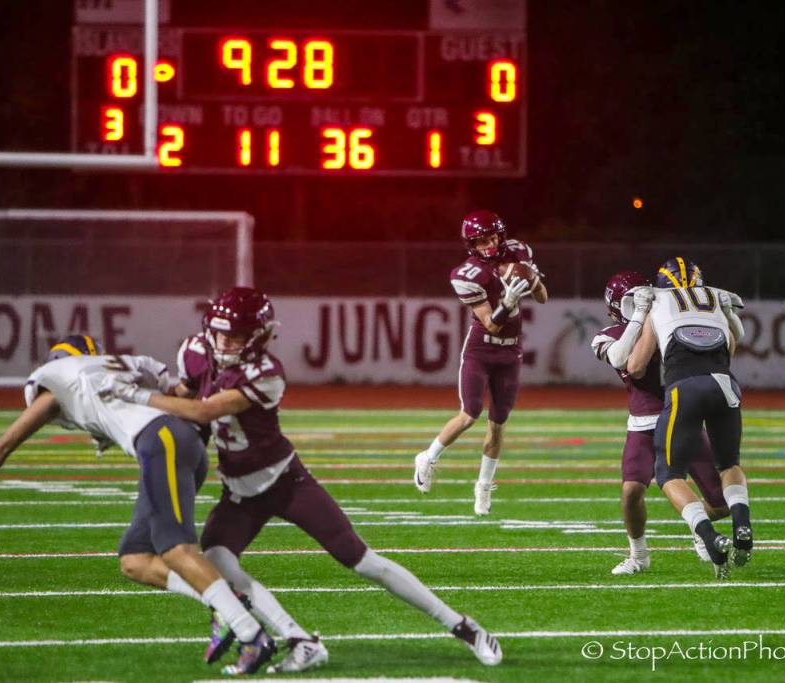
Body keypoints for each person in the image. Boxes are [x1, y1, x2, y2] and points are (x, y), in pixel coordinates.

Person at [102, 287, 503, 668]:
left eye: (237, 336)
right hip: (238, 493)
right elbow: (187, 397)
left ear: (258, 337)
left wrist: (134, 396)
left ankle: (463, 626)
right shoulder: (194, 350)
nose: (225, 344)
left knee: (363, 561)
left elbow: (206, 411)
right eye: (221, 334)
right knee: (217, 562)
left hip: (285, 483)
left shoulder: (266, 372)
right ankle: (299, 641)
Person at [0, 334, 277, 675]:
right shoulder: (119, 365)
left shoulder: (55, 379)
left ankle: (251, 633)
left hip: (162, 444)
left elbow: (3, 445)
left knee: (176, 550)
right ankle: (223, 600)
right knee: (135, 560)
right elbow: (182, 392)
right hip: (178, 444)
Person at [591, 271, 730, 574]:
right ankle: (639, 556)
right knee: (631, 492)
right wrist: (641, 317)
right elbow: (629, 365)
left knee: (721, 504)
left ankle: (698, 526)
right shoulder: (608, 335)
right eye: (630, 301)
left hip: (682, 415)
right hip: (643, 422)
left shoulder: (671, 325)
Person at [414, 210, 548, 515]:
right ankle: (428, 457)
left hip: (511, 351)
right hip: (481, 350)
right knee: (470, 413)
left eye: (491, 237)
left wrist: (534, 278)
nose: (487, 244)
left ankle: (484, 487)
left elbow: (542, 298)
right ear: (470, 244)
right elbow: (491, 324)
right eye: (479, 240)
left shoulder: (520, 252)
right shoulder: (466, 275)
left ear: (501, 235)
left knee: (498, 425)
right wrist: (509, 302)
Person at [626, 257, 752, 579]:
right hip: (726, 385)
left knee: (668, 474)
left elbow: (637, 365)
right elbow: (732, 347)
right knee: (729, 464)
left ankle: (708, 537)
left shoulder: (660, 303)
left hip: (686, 387)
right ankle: (742, 523)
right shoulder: (714, 300)